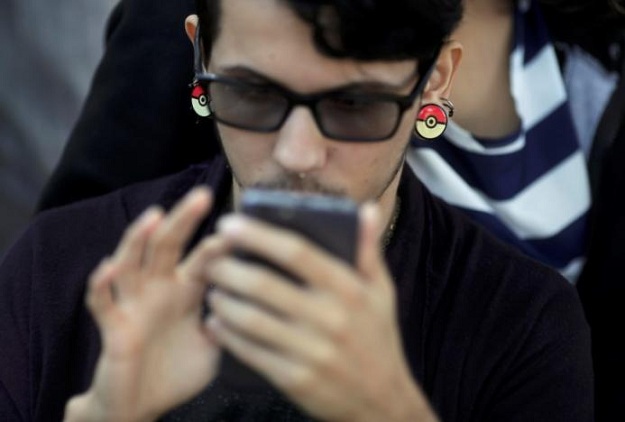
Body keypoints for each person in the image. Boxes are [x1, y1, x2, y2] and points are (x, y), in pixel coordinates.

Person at [0, 0, 594, 421]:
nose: (297, 154)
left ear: (434, 82)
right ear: (200, 54)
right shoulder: (55, 268)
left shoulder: (525, 323)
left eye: (356, 105)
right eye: (253, 95)